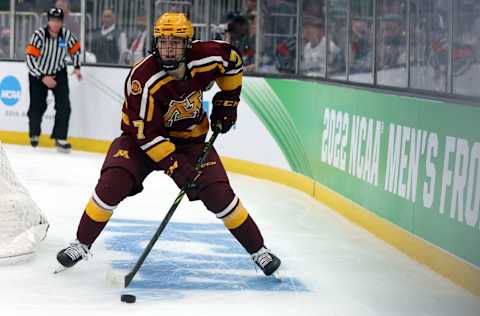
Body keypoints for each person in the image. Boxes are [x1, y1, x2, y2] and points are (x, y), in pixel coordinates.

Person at [56, 12, 281, 277]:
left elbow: (233, 62)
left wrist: (228, 102)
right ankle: (81, 243)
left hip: (190, 139)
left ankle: (259, 250)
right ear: (156, 43)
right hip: (140, 141)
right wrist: (176, 167)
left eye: (176, 42)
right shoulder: (142, 79)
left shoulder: (207, 55)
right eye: (163, 42)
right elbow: (147, 136)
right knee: (112, 182)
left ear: (188, 44)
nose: (169, 48)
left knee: (219, 194)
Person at [25, 7, 82, 152]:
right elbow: (30, 59)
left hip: (58, 72)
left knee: (64, 106)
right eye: (52, 20)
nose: (55, 24)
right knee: (37, 106)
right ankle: (34, 134)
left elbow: (75, 49)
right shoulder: (38, 35)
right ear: (48, 21)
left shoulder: (66, 35)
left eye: (58, 21)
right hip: (38, 74)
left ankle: (60, 138)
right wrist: (42, 77)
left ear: (62, 22)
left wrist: (76, 67)